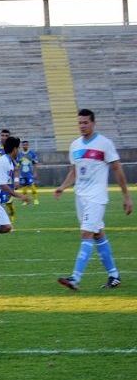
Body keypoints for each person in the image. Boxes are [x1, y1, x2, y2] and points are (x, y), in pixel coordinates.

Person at [55, 109, 133, 290]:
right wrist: (62, 187)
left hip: (96, 197)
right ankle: (114, 276)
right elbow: (74, 172)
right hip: (80, 197)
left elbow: (117, 169)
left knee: (86, 234)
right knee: (98, 234)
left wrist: (126, 196)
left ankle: (75, 278)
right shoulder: (75, 145)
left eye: (85, 123)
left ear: (93, 123)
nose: (82, 126)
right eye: (80, 123)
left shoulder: (104, 143)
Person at [0, 129, 18, 221]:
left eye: (6, 135)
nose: (4, 137)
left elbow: (16, 166)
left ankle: (10, 213)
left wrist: (17, 180)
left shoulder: (13, 150)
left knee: (8, 201)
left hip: (8, 180)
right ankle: (5, 222)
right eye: (2, 135)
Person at [18, 140, 39, 205]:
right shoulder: (19, 154)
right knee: (24, 189)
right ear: (22, 146)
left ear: (28, 145)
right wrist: (18, 174)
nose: (25, 146)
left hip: (30, 174)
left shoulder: (32, 153)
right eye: (24, 145)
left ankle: (36, 199)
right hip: (22, 174)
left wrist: (35, 172)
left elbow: (35, 163)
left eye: (26, 145)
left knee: (32, 187)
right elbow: (17, 165)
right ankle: (25, 201)